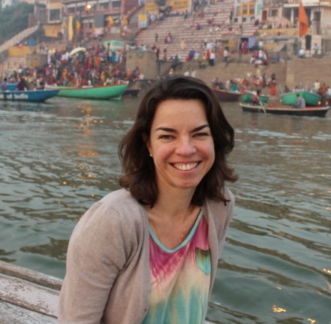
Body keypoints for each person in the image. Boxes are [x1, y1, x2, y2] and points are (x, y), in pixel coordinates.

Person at [58, 76, 237, 323]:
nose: (185, 149)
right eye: (167, 136)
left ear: (215, 138)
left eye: (199, 134)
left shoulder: (220, 205)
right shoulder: (112, 222)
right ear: (148, 144)